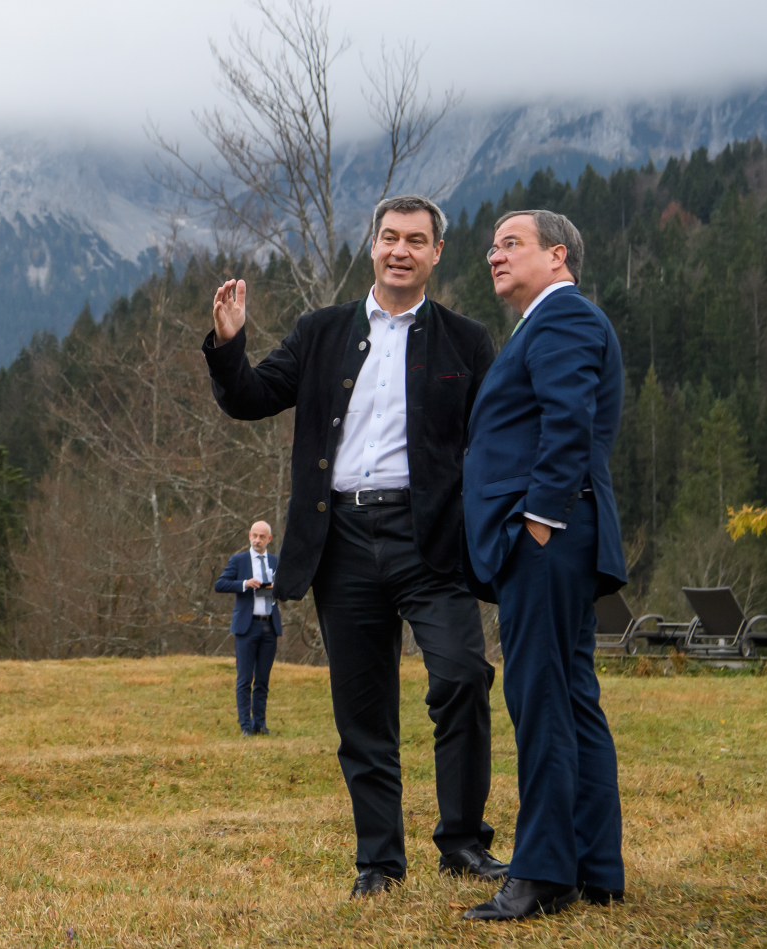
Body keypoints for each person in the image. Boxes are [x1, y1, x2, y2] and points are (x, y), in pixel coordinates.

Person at [203, 195, 504, 898]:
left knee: (462, 676)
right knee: (362, 711)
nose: (401, 249)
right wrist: (228, 343)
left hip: (432, 542)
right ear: (372, 246)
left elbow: (490, 447)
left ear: (435, 254)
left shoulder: (467, 341)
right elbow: (249, 396)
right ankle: (379, 862)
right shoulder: (322, 331)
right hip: (340, 540)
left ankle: (462, 843)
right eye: (390, 237)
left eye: (417, 240)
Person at [461, 209, 628, 921]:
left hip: (549, 540)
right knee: (571, 696)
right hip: (558, 541)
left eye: (511, 244)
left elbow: (568, 420)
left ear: (558, 255)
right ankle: (596, 866)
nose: (494, 255)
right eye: (492, 246)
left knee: (540, 700)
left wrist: (536, 523)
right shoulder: (545, 321)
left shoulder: (564, 318)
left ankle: (541, 873)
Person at [215, 520, 283, 735]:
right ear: (249, 536)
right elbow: (221, 584)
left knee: (262, 680)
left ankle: (260, 724)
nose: (257, 540)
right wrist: (245, 584)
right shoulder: (239, 560)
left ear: (269, 539)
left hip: (269, 626)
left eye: (262, 536)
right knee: (245, 679)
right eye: (254, 535)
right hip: (247, 626)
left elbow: (286, 591)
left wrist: (276, 589)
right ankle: (246, 726)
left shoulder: (276, 561)